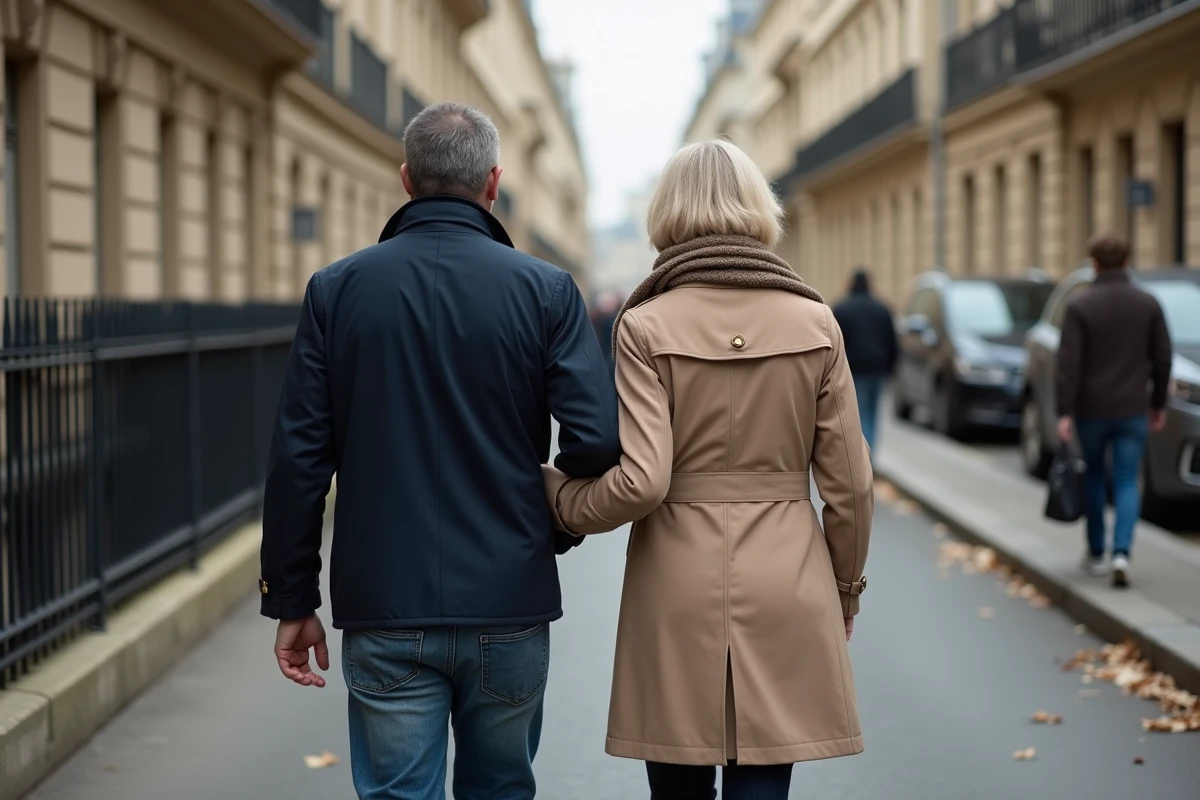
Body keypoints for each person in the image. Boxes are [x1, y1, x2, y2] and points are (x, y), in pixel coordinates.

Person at [259, 103, 620, 800]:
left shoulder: (336, 290)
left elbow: (299, 458)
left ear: (406, 180)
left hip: (383, 601)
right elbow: (597, 440)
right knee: (501, 790)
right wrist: (555, 526)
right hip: (509, 597)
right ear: (493, 182)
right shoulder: (546, 290)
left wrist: (293, 595)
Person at [543, 140, 873, 800]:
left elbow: (642, 481)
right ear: (759, 208)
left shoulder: (643, 323)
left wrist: (557, 496)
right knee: (764, 783)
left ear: (667, 213)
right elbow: (851, 486)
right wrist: (844, 586)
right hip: (789, 572)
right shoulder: (815, 321)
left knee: (678, 787)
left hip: (676, 576)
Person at [1056, 234, 1171, 589]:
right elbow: (1162, 357)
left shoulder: (1080, 306)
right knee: (1125, 479)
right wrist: (1158, 402)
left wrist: (1065, 411)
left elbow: (1069, 365)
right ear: (1126, 263)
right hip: (1133, 408)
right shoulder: (1147, 303)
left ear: (1093, 265)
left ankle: (1096, 552)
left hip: (1091, 409)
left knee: (1093, 476)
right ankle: (1122, 552)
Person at [832, 268, 898, 454]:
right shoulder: (882, 309)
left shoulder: (841, 309)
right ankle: (870, 455)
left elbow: (836, 343)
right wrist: (890, 370)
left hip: (853, 370)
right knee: (873, 414)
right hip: (877, 369)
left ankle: (862, 456)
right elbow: (892, 342)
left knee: (858, 414)